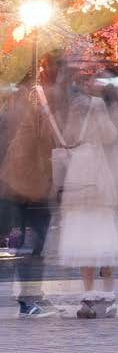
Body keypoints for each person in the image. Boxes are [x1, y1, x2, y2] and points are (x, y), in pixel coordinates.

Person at [55, 83, 118, 318]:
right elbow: (109, 135)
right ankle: (103, 296)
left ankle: (91, 295)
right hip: (96, 178)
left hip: (82, 176)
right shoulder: (94, 107)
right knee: (99, 237)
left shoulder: (81, 107)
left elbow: (68, 138)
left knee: (88, 237)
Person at [0, 62, 60, 318]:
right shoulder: (33, 107)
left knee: (17, 245)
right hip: (29, 186)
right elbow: (42, 144)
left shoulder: (9, 106)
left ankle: (31, 296)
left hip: (11, 185)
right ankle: (30, 298)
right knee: (31, 246)